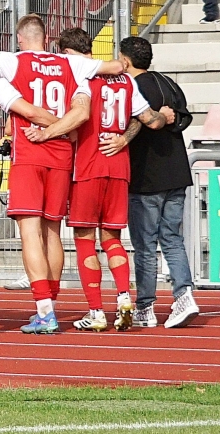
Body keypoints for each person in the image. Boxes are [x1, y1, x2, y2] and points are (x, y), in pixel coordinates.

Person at [0, 16, 126, 334]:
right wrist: (61, 129)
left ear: (20, 39)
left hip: (29, 155)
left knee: (30, 232)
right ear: (46, 38)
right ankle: (50, 306)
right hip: (61, 158)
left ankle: (45, 310)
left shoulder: (12, 62)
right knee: (52, 232)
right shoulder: (70, 64)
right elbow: (88, 103)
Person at [38, 28, 151, 331]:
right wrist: (123, 139)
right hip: (119, 167)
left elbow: (76, 121)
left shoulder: (81, 77)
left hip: (88, 166)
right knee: (112, 239)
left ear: (68, 53)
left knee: (85, 240)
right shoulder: (125, 79)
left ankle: (96, 311)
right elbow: (144, 118)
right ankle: (124, 297)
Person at [115, 36, 199, 329]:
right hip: (176, 173)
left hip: (146, 177)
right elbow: (182, 117)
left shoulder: (131, 87)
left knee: (145, 245)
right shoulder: (167, 83)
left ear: (125, 60)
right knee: (172, 238)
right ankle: (184, 294)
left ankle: (145, 306)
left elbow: (134, 123)